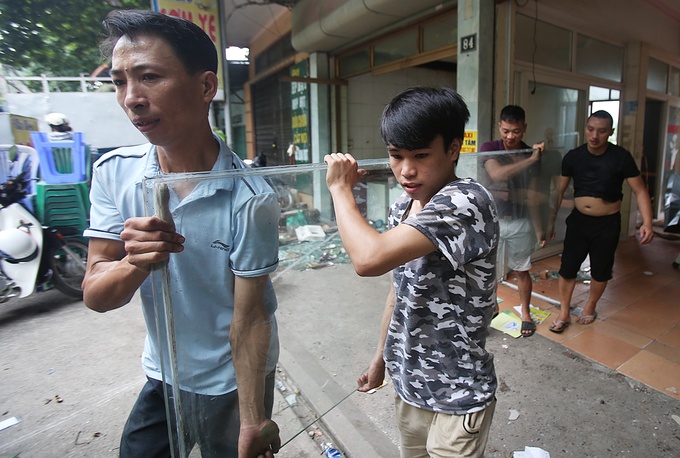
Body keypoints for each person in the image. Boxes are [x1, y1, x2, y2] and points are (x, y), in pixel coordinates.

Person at [82, 10, 281, 458]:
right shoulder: (114, 174)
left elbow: (249, 320)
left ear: (206, 86)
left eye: (149, 76)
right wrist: (135, 262)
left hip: (233, 380)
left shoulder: (250, 198)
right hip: (163, 372)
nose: (132, 98)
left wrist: (252, 419)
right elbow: (96, 295)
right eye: (119, 81)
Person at [325, 87, 499, 457]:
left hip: (458, 394)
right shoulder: (404, 205)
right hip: (411, 386)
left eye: (421, 155)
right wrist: (380, 359)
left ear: (453, 149)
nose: (406, 170)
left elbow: (368, 260)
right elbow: (399, 292)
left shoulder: (466, 201)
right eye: (396, 155)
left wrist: (340, 189)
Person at [546, 110, 654, 333]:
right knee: (567, 268)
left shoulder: (621, 158)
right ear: (585, 128)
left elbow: (640, 191)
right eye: (591, 129)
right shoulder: (573, 156)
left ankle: (591, 305)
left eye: (602, 131)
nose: (595, 135)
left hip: (607, 224)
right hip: (578, 222)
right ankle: (564, 310)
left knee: (600, 271)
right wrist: (550, 222)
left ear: (610, 132)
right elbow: (559, 191)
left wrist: (648, 223)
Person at [480, 105, 545, 337]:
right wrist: (530, 159)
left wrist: (539, 229)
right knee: (487, 271)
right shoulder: (490, 148)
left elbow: (533, 197)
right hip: (493, 220)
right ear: (499, 126)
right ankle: (492, 308)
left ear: (524, 128)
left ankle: (526, 313)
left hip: (520, 222)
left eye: (516, 131)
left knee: (522, 270)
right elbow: (497, 174)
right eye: (506, 130)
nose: (510, 136)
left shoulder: (531, 154)